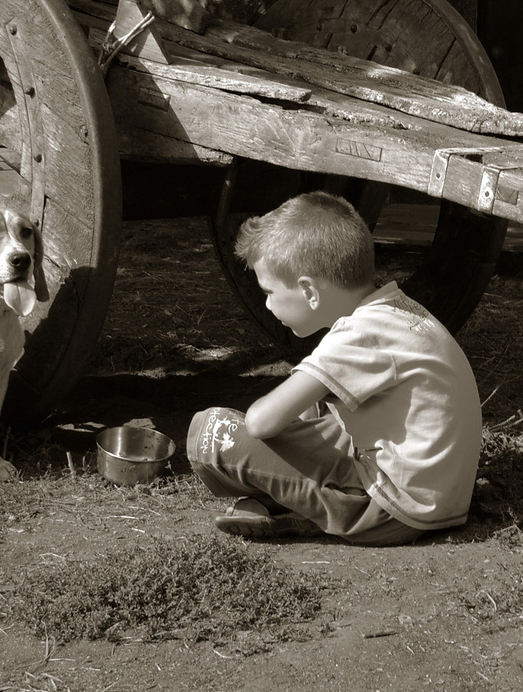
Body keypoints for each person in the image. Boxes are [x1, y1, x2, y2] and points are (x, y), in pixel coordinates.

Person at [187, 191, 483, 545]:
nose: (266, 304)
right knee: (319, 402)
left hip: (393, 509)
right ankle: (293, 502)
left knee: (211, 432)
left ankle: (308, 508)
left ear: (310, 291)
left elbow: (260, 423)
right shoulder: (396, 309)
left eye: (268, 291)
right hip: (437, 495)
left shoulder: (356, 336)